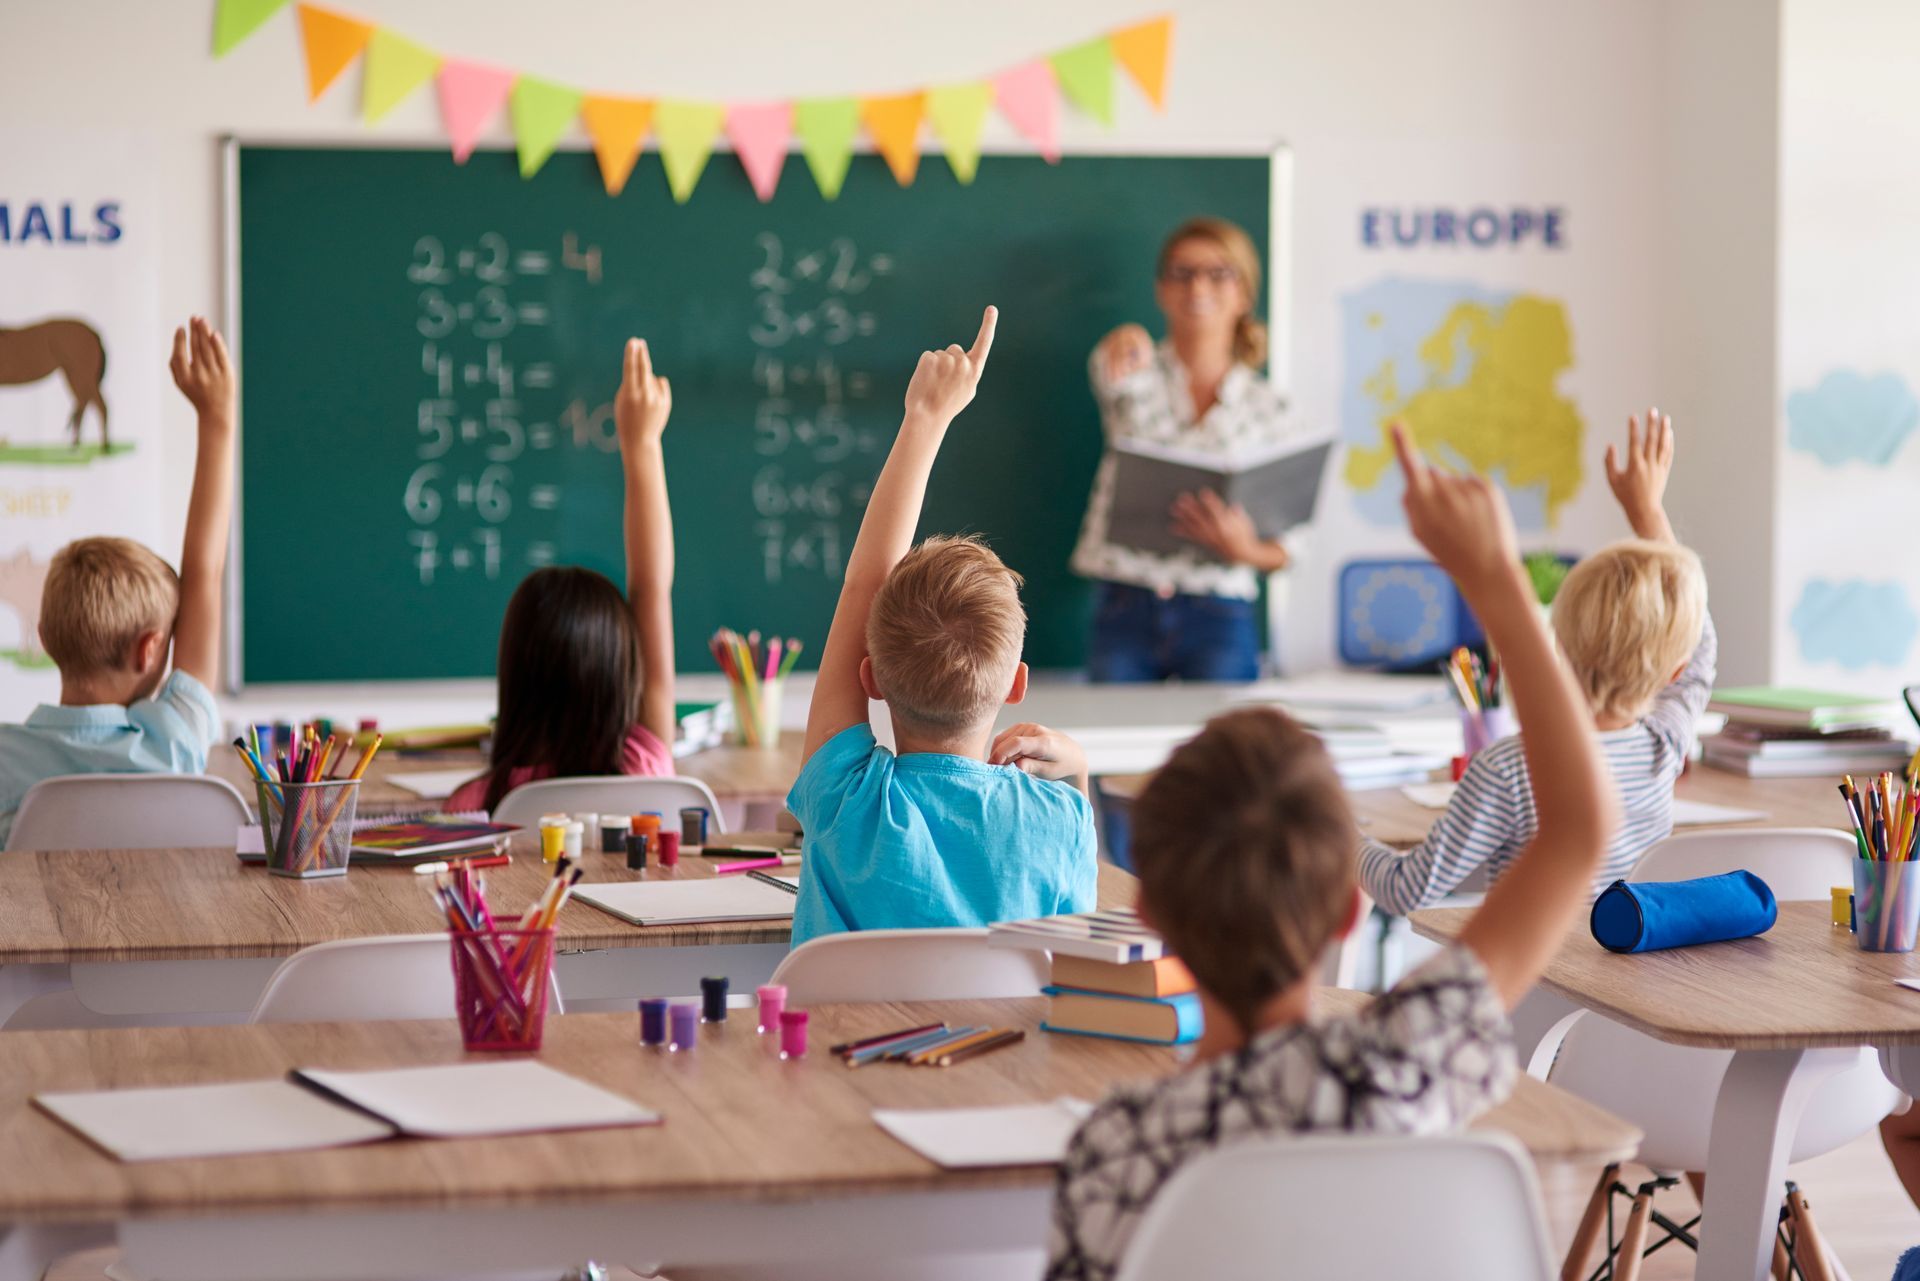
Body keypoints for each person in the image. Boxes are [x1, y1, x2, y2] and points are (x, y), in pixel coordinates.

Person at [1043, 423, 1619, 1279]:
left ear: (1149, 914)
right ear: (1350, 905)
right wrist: (1496, 583)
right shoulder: (1403, 1065)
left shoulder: (1119, 1148)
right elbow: (1578, 830)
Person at [787, 306, 1098, 947]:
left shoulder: (848, 804)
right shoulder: (1057, 819)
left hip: (837, 1050)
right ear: (1016, 683)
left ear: (869, 678)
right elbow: (1075, 956)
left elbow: (861, 586)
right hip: (1005, 1049)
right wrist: (1079, 775)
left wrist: (924, 421)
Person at [1359, 410, 1714, 915]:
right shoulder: (1664, 749)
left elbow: (1405, 890)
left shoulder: (1509, 768)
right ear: (1673, 672)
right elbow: (1700, 649)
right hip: (1619, 988)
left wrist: (1339, 834)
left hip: (1529, 986)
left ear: (1559, 645)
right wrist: (1648, 511)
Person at [0, 319, 237, 847]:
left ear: (43, 637)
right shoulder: (172, 743)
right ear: (152, 647)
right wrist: (216, 416)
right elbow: (206, 570)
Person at [1071, 217, 1313, 682]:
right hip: (1126, 602)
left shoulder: (1274, 409)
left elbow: (1293, 545)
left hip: (1220, 611)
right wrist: (1120, 343)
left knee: (1228, 752)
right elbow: (1107, 370)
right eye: (1182, 273)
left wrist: (1246, 549)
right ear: (1162, 289)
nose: (1198, 285)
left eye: (1218, 272)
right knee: (1114, 747)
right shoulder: (1132, 371)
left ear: (1244, 292)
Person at [448, 339, 677, 813]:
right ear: (623, 673)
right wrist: (643, 444)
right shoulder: (645, 767)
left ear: (515, 674)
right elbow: (651, 589)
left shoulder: (478, 806)